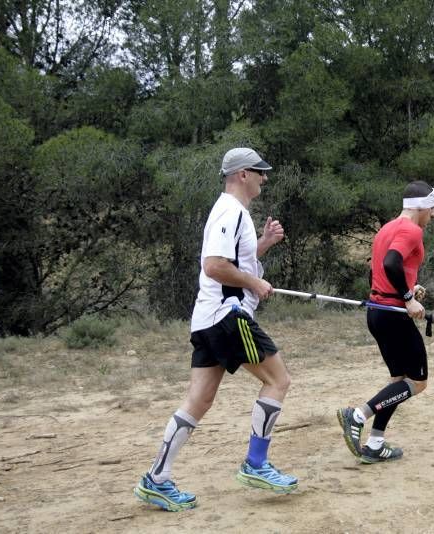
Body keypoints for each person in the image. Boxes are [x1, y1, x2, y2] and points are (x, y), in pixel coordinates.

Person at [134, 147, 298, 512]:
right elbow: (214, 266)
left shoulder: (231, 212)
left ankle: (156, 479)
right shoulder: (230, 210)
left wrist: (263, 246)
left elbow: (235, 261)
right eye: (259, 171)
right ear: (242, 174)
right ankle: (256, 464)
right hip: (229, 316)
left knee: (199, 400)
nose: (264, 177)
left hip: (208, 319)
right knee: (278, 380)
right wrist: (254, 284)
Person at [337, 180, 434, 463]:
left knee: (397, 383)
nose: (433, 214)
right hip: (393, 314)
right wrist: (407, 298)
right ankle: (357, 416)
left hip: (377, 311)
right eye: (432, 209)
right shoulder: (411, 230)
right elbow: (392, 262)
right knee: (416, 383)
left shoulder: (387, 229)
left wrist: (408, 288)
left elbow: (378, 271)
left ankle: (375, 444)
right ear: (423, 207)